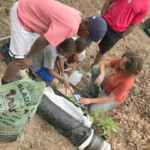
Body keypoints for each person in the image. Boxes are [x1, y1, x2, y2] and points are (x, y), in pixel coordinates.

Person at [1, 0, 107, 85]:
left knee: (28, 52)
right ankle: (4, 83)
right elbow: (44, 40)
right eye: (87, 38)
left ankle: (13, 59)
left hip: (29, 8)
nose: (84, 39)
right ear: (86, 32)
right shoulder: (71, 27)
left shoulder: (77, 15)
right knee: (20, 60)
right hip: (23, 14)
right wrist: (29, 57)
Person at [93, 0, 150, 65]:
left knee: (102, 51)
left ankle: (92, 68)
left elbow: (133, 25)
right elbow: (108, 1)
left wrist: (121, 35)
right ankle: (79, 54)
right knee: (88, 37)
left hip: (116, 32)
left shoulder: (146, 5)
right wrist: (101, 18)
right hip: (106, 20)